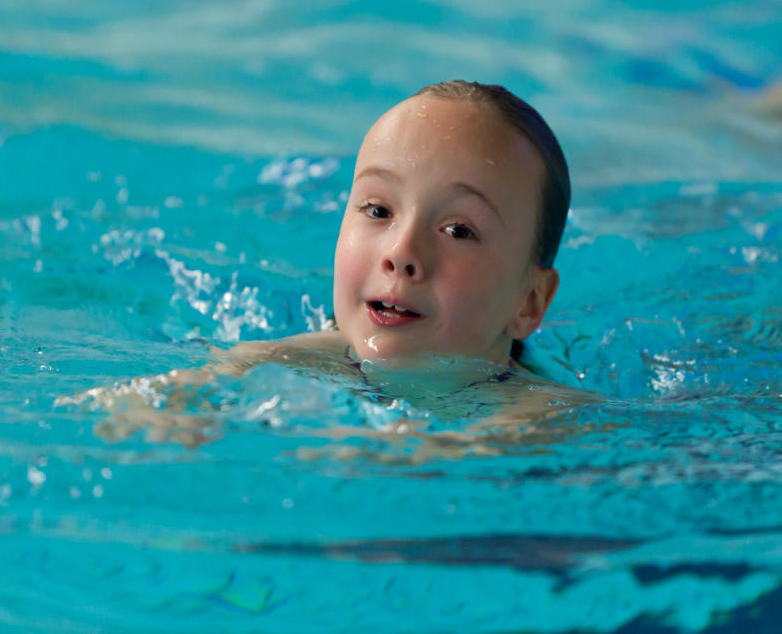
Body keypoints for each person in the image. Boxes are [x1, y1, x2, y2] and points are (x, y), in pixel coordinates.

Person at [59, 80, 580, 450]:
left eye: (458, 231)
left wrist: (442, 450)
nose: (401, 253)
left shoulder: (540, 411)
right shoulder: (305, 357)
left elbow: (539, 434)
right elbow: (215, 377)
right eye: (378, 210)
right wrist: (164, 402)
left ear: (528, 302)